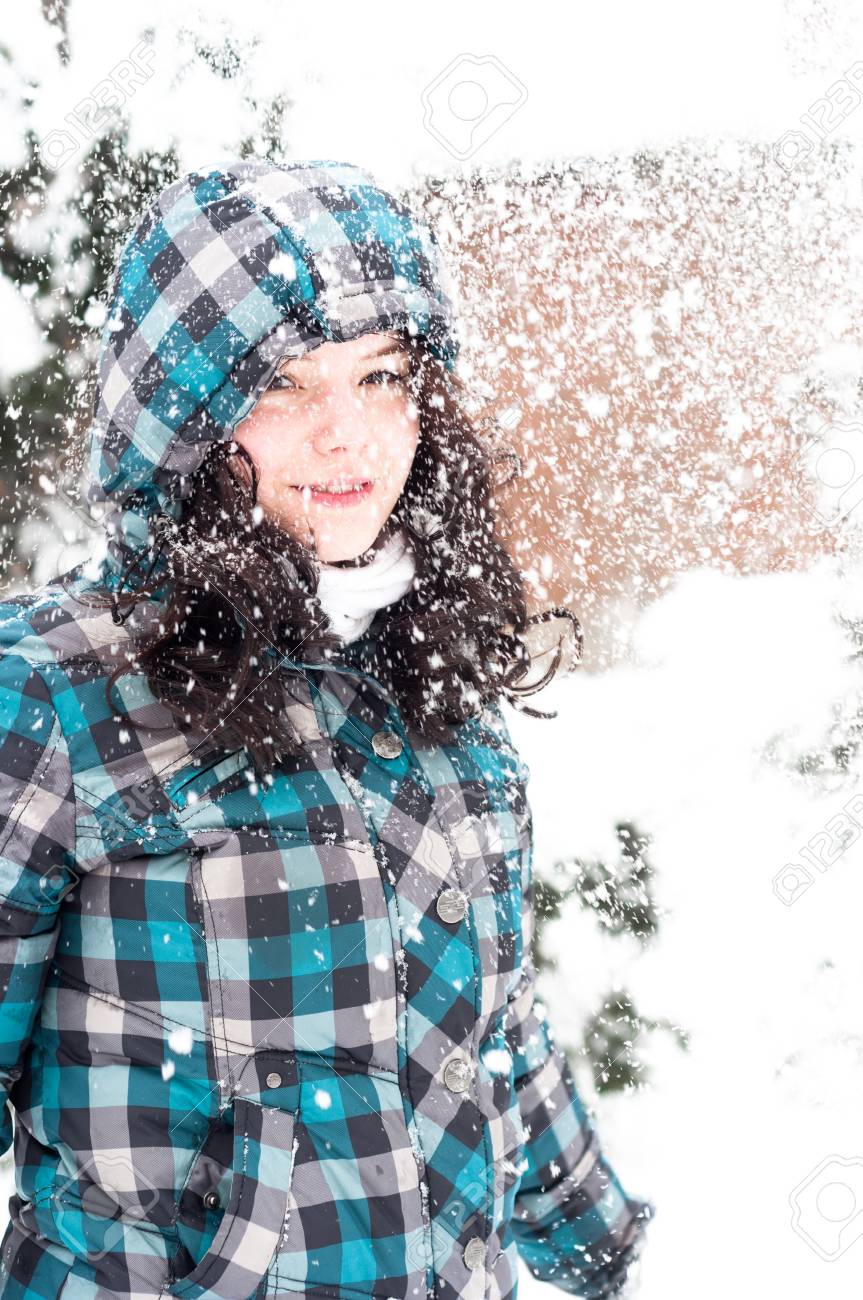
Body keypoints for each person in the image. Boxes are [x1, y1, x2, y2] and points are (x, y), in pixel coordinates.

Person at [0, 158, 653, 1300]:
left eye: (381, 376)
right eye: (284, 385)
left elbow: (485, 1024)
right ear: (181, 419)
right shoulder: (59, 692)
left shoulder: (430, 674)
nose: (348, 436)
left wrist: (589, 1230)